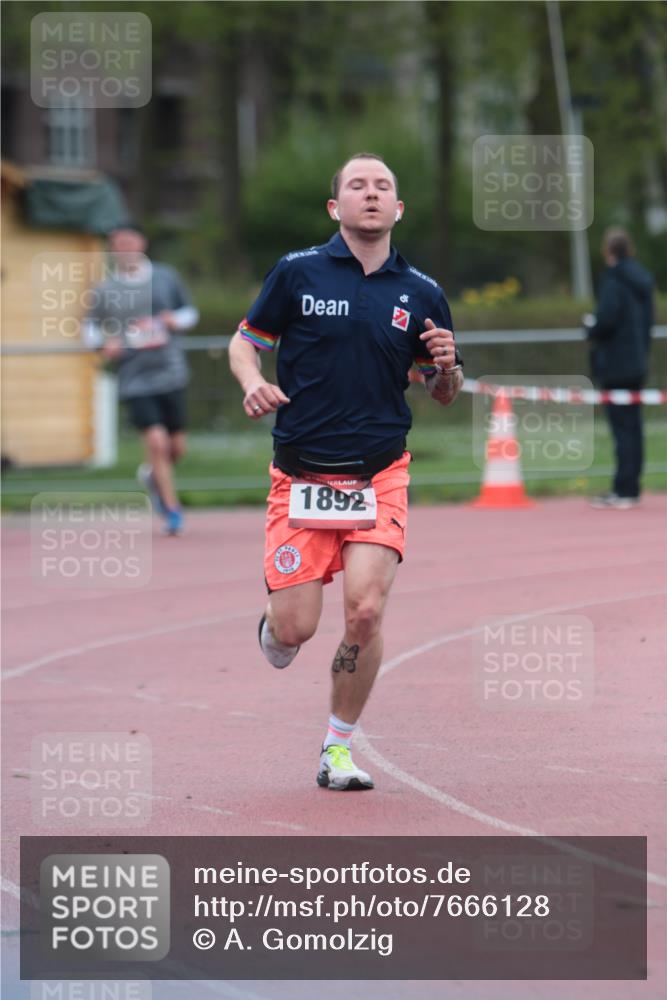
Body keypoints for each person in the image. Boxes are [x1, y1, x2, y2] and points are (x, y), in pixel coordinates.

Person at [229, 152, 464, 790]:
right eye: (356, 185)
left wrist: (446, 368)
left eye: (383, 185)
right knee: (296, 629)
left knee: (364, 610)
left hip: (380, 474)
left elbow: (442, 390)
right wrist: (253, 381)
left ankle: (337, 748)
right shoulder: (297, 272)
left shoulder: (421, 292)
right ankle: (273, 626)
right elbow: (245, 339)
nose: (370, 193)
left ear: (398, 209)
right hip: (302, 475)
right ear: (336, 207)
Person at [83, 225, 199, 534]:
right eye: (118, 243)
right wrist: (102, 344)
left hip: (171, 372)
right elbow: (90, 328)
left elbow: (190, 312)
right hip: (134, 378)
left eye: (129, 241)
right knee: (157, 443)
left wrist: (175, 321)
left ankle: (152, 476)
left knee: (176, 447)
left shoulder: (165, 277)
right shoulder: (104, 289)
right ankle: (172, 510)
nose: (124, 247)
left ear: (141, 242)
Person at [585, 227, 654, 510]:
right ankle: (631, 487)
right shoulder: (643, 281)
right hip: (637, 361)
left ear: (608, 251)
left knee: (622, 429)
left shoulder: (613, 280)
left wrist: (591, 326)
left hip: (615, 364)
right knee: (633, 427)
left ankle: (624, 490)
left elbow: (606, 320)